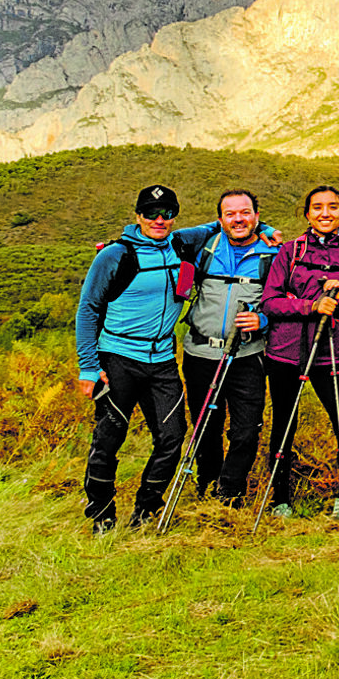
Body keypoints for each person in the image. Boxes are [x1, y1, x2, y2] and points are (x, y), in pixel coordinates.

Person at [76, 185, 211, 532]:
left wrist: (267, 229)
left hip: (163, 359)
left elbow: (221, 224)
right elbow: (88, 309)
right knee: (108, 439)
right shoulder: (115, 255)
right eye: (151, 213)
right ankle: (102, 516)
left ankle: (146, 509)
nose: (159, 220)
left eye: (167, 213)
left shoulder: (181, 243)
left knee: (172, 437)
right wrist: (89, 366)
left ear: (174, 215)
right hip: (118, 358)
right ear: (138, 216)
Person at [260, 185, 339, 521]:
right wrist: (311, 305)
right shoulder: (290, 251)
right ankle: (280, 499)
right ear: (307, 213)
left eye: (333, 207)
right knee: (284, 424)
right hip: (285, 352)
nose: (325, 213)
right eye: (317, 207)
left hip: (332, 352)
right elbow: (269, 302)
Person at [177, 189, 280, 507]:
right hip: (199, 354)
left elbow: (284, 301)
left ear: (257, 216)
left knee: (246, 429)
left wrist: (263, 319)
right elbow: (175, 235)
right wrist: (218, 226)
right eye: (230, 213)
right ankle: (207, 482)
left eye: (246, 213)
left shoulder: (272, 255)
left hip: (247, 356)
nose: (238, 219)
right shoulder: (203, 247)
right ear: (219, 218)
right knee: (205, 425)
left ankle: (231, 491)